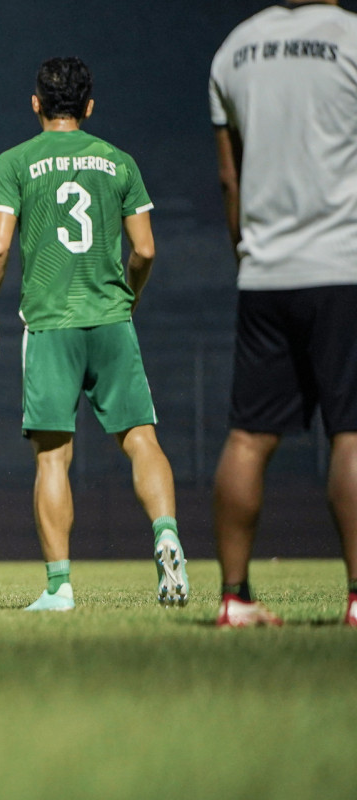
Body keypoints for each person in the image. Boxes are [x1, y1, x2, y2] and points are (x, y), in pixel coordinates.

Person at [0, 57, 188, 612]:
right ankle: (166, 535)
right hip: (112, 319)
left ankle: (59, 587)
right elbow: (144, 249)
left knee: (52, 459)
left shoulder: (15, 162)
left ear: (36, 103)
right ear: (90, 106)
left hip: (50, 323)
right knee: (142, 439)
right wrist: (128, 300)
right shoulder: (118, 161)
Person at [209, 1, 357, 628]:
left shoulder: (235, 48)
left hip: (265, 271)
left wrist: (249, 252)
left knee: (248, 436)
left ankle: (235, 598)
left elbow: (229, 176)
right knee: (350, 434)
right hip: (344, 265)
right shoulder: (350, 38)